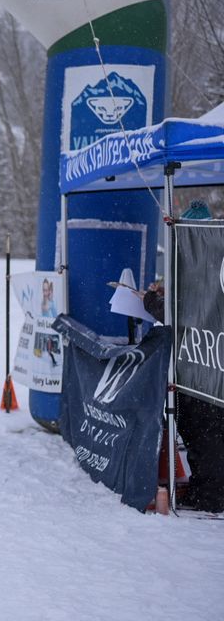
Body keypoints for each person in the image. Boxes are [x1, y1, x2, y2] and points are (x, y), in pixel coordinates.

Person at [143, 199, 224, 513]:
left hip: (199, 366)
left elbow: (179, 315)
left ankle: (212, 494)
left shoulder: (200, 265)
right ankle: (211, 488)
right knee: (208, 433)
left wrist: (151, 301)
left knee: (204, 433)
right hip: (205, 362)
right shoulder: (210, 261)